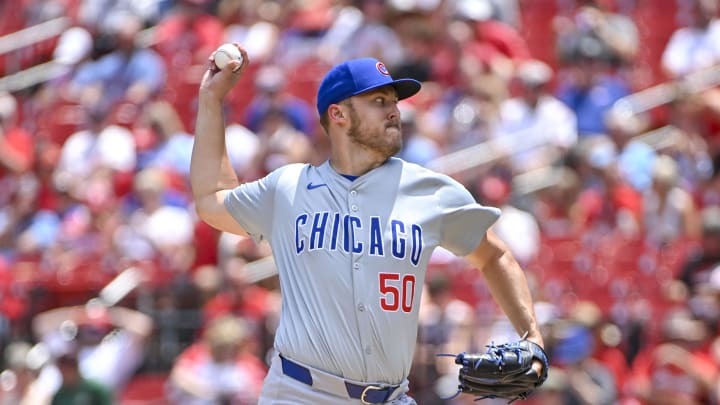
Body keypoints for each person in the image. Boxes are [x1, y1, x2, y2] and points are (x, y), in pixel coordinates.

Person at [190, 45, 546, 404]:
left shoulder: (431, 191)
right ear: (338, 113)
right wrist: (211, 99)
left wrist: (532, 336)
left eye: (395, 101)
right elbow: (212, 199)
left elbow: (494, 256)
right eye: (379, 101)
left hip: (391, 397)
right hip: (300, 393)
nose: (395, 111)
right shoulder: (288, 189)